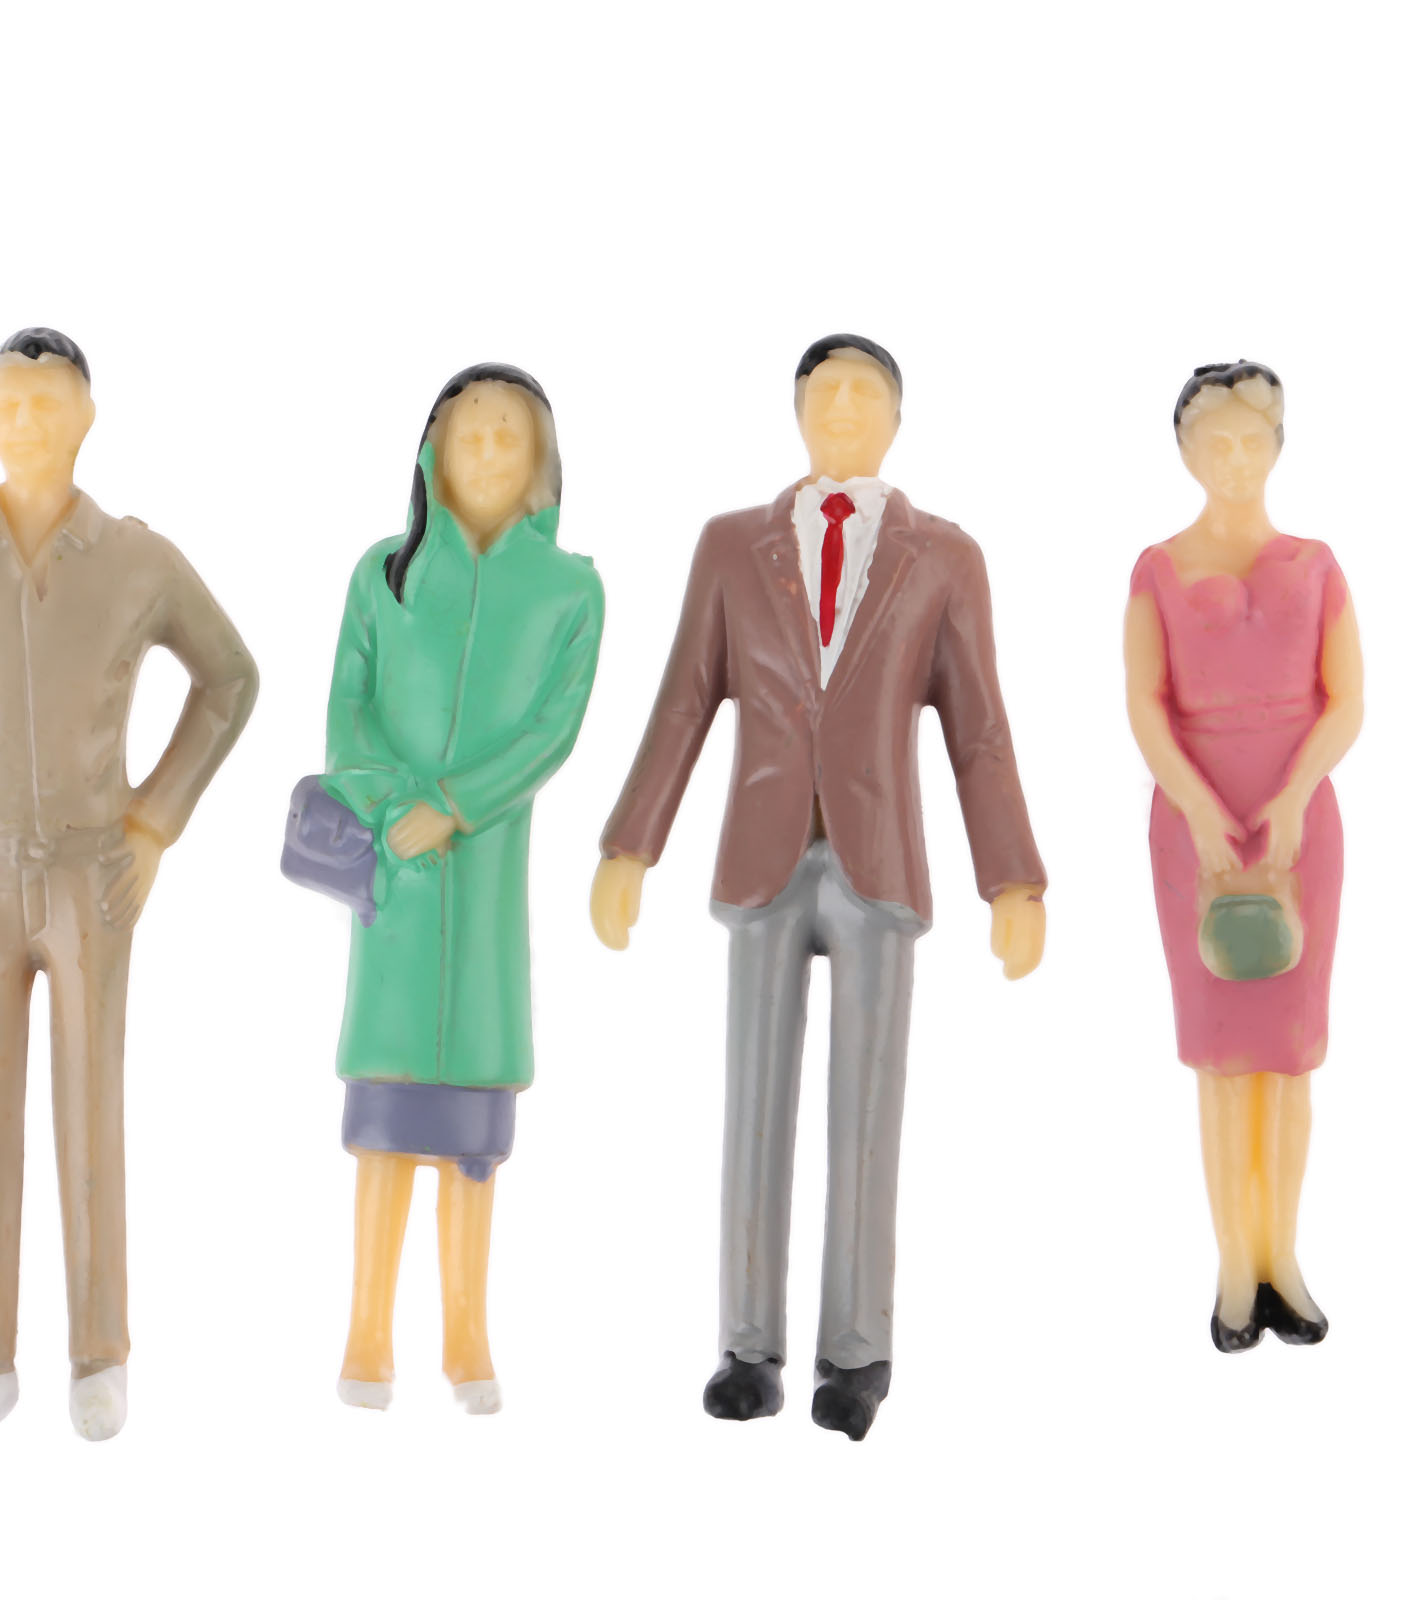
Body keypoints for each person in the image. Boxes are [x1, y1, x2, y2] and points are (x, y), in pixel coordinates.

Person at [592, 335, 1045, 1440]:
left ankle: (857, 1351)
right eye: (825, 389)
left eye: (865, 391)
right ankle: (747, 1343)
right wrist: (629, 846)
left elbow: (979, 730)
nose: (843, 405)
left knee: (866, 1116)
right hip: (762, 857)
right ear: (795, 408)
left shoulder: (945, 556)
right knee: (752, 1105)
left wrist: (1012, 878)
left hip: (876, 858)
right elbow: (683, 700)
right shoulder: (730, 545)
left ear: (897, 418)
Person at [0, 328, 258, 1440]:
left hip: (92, 872)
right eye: (7, 403)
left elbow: (229, 677)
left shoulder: (136, 560)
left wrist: (154, 821)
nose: (23, 423)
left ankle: (98, 1353)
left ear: (86, 416)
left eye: (45, 404)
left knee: (91, 1106)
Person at [319, 364, 602, 1415]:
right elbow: (347, 711)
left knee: (473, 1137)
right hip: (395, 877)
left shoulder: (571, 592)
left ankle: (466, 1332)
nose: (486, 451)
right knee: (383, 1116)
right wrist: (392, 801)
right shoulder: (380, 576)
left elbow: (551, 734)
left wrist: (457, 803)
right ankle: (364, 1329)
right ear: (432, 450)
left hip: (484, 883)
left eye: (507, 437)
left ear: (539, 466)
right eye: (469, 432)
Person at [1124, 361, 1362, 1351]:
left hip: (1298, 829)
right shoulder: (1155, 568)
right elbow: (1145, 704)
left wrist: (1296, 794)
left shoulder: (1316, 564)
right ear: (1184, 451)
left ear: (1277, 447)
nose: (1233, 459)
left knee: (1291, 1056)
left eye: (1250, 440)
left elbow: (1346, 700)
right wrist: (1196, 806)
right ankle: (1233, 1267)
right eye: (1213, 442)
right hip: (1196, 833)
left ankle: (1283, 1257)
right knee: (1221, 1059)